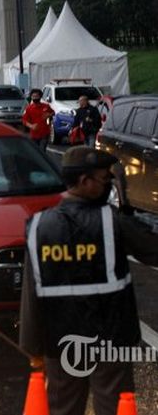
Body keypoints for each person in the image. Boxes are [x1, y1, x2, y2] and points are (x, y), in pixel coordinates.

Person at [19, 146, 158, 415]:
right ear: (85, 182)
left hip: (60, 342)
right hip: (111, 341)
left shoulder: (39, 226)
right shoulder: (112, 222)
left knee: (64, 408)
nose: (110, 185)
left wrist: (32, 347)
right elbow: (153, 249)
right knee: (113, 406)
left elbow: (31, 291)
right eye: (106, 180)